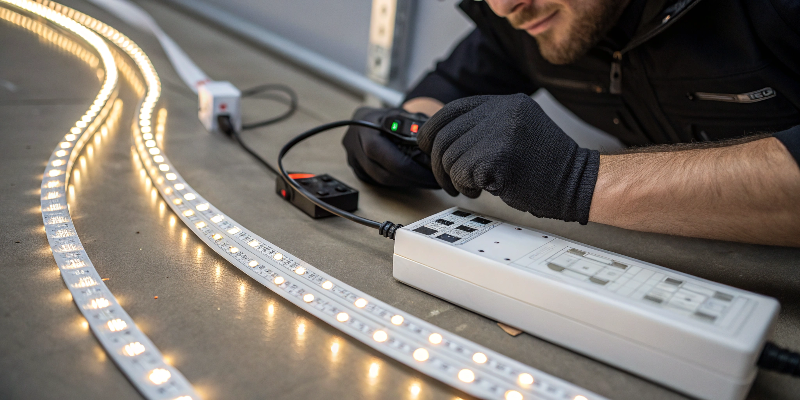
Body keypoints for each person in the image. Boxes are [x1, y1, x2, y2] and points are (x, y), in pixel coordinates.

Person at [343, 0, 800, 247]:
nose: (504, 8)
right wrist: (404, 128)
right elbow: (445, 86)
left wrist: (577, 181)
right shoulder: (528, 20)